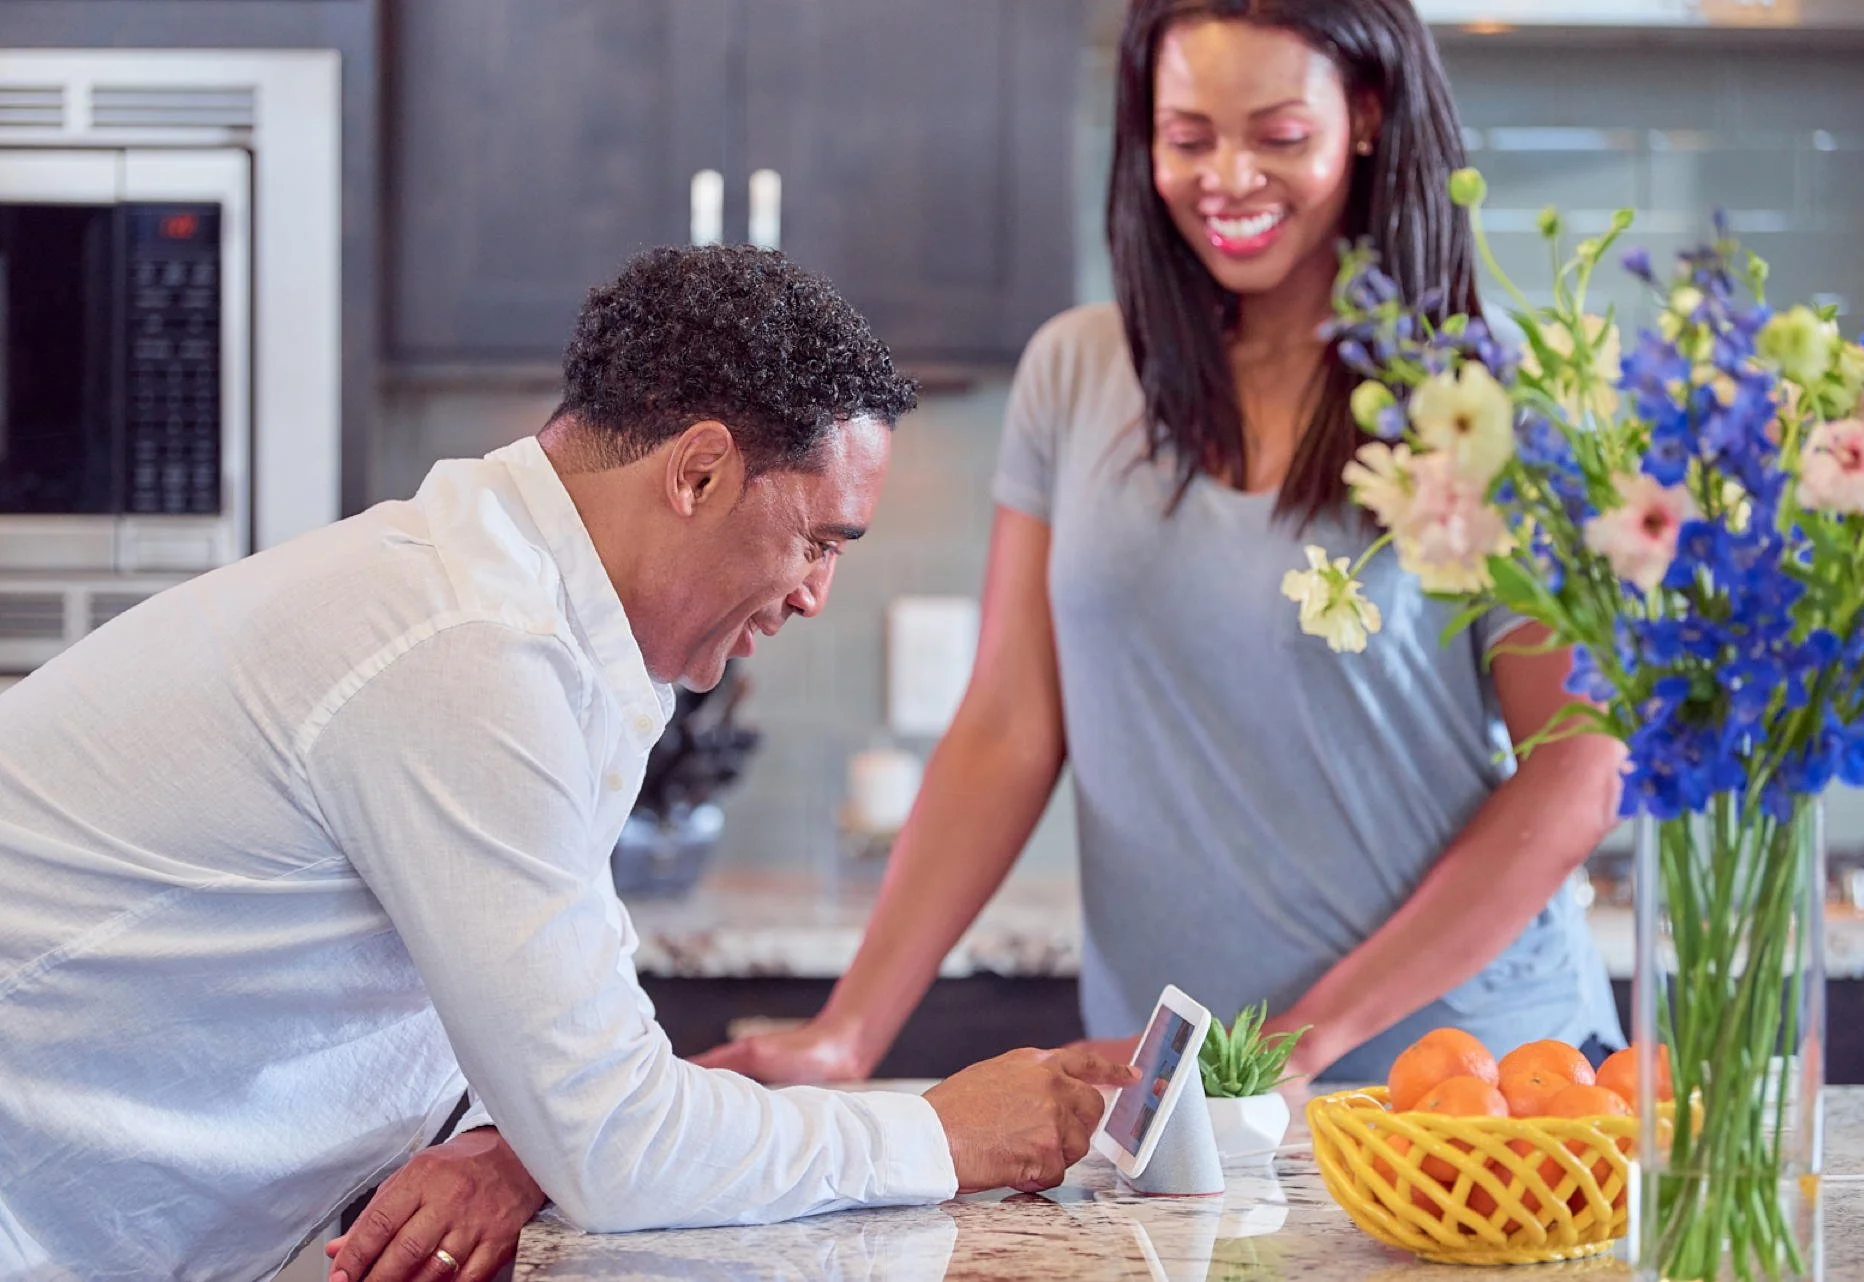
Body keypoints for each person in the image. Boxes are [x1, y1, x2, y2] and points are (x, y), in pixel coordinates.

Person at [0, 245, 1132, 1282]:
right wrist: (944, 1132)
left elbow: (563, 1066)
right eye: (819, 539)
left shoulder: (536, 623)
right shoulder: (466, 649)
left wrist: (518, 1148)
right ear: (697, 475)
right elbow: (622, 1145)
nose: (813, 594)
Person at [700, 0, 1627, 1097]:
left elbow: (1579, 767)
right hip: (1182, 1099)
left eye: (1278, 135)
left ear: (1367, 114)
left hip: (1476, 1084)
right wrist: (850, 1033)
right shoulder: (1075, 373)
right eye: (1189, 138)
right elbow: (1006, 727)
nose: (1228, 176)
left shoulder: (1491, 396)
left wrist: (1302, 1037)